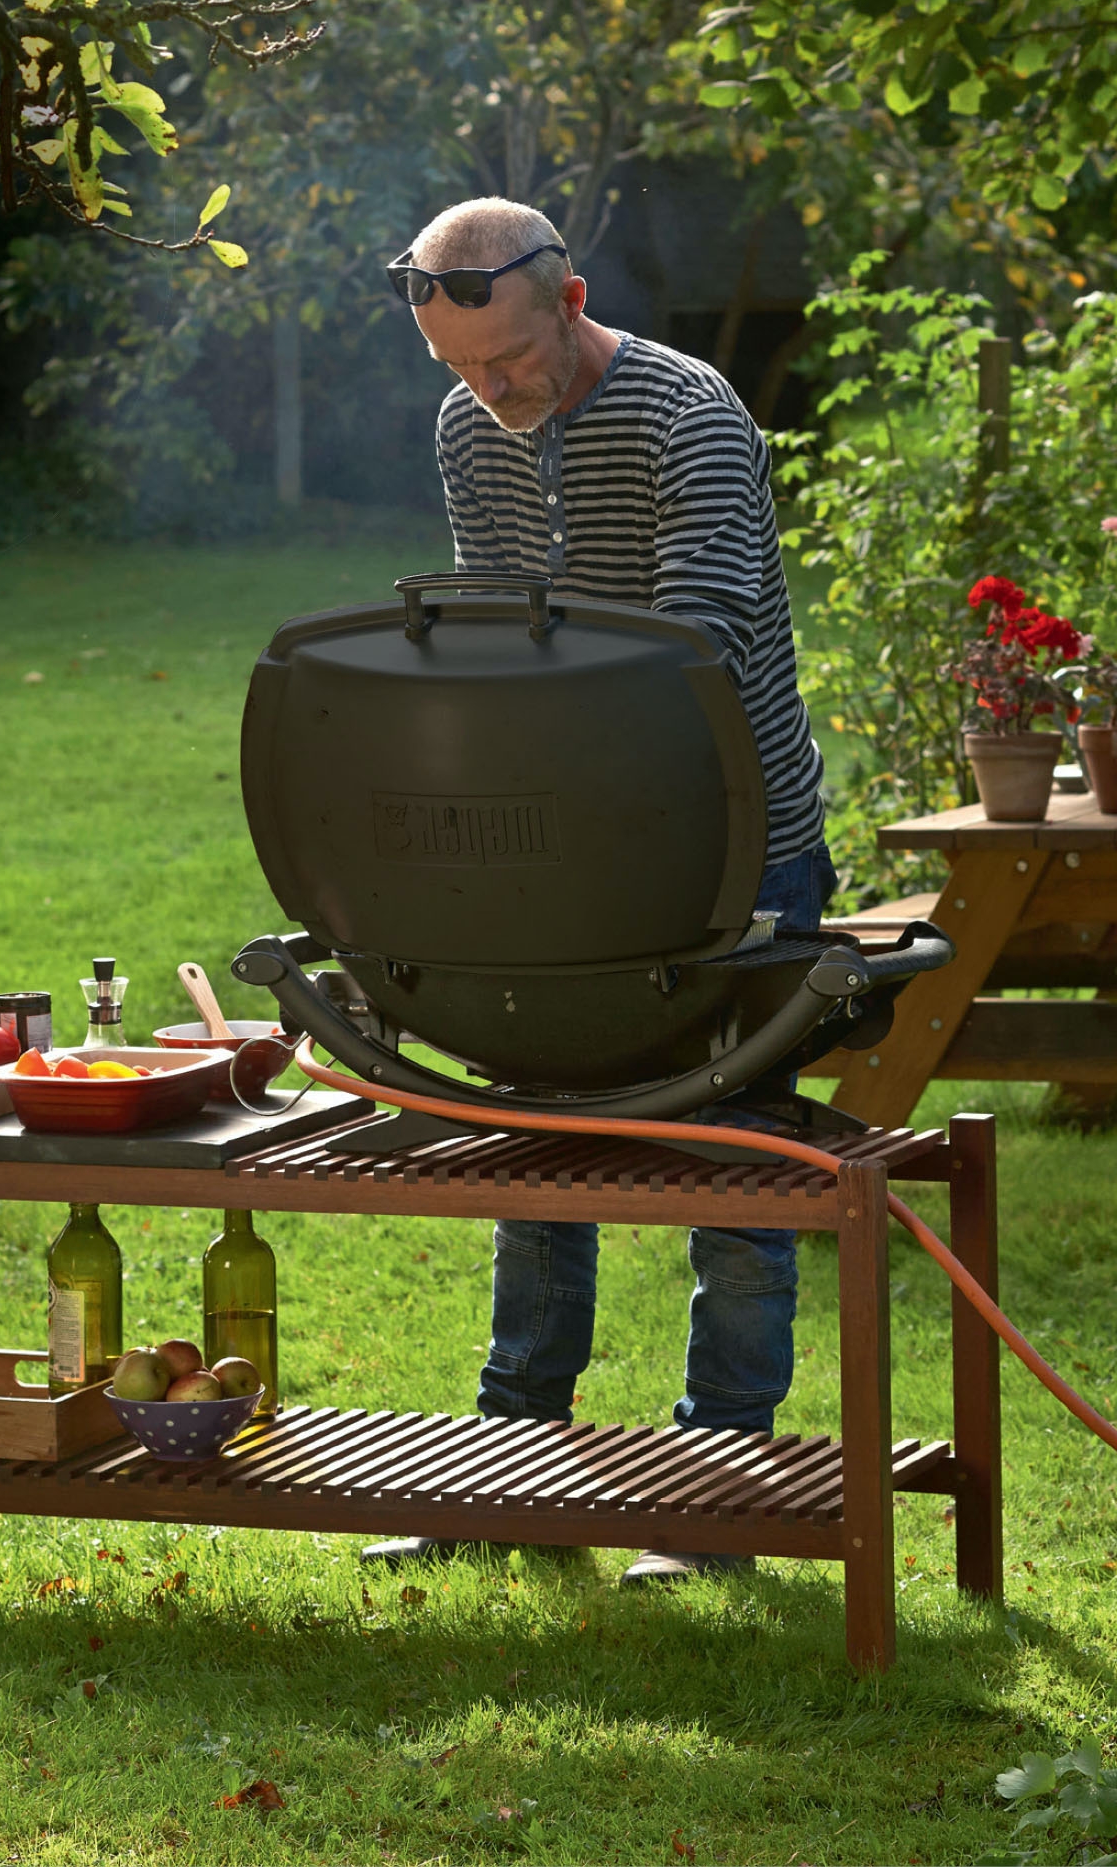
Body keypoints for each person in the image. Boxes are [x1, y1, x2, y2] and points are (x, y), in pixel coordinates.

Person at [361, 197, 835, 1584]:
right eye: (458, 370)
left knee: (737, 1168)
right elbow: (495, 634)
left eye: (509, 360)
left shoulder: (689, 418)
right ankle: (513, 1468)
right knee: (536, 1151)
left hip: (737, 841)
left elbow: (694, 649)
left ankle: (718, 1490)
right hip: (558, 849)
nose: (489, 394)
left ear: (571, 305)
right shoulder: (469, 426)